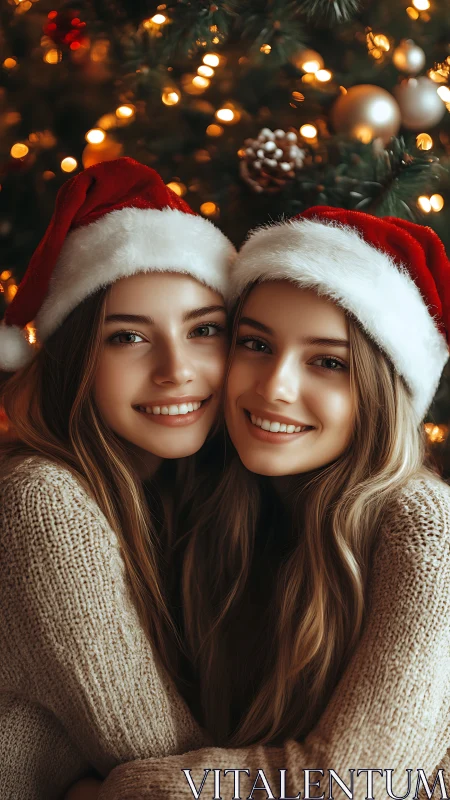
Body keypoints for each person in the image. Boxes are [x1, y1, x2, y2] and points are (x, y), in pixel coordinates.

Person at [94, 208, 450, 800]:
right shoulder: (215, 510)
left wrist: (121, 789)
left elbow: (350, 783)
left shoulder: (426, 528)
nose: (274, 386)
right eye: (256, 344)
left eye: (328, 362)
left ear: (384, 392)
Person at [0, 156, 236, 799]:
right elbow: (166, 762)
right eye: (129, 338)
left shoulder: (186, 494)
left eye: (204, 330)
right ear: (78, 358)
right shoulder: (43, 502)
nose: (175, 370)